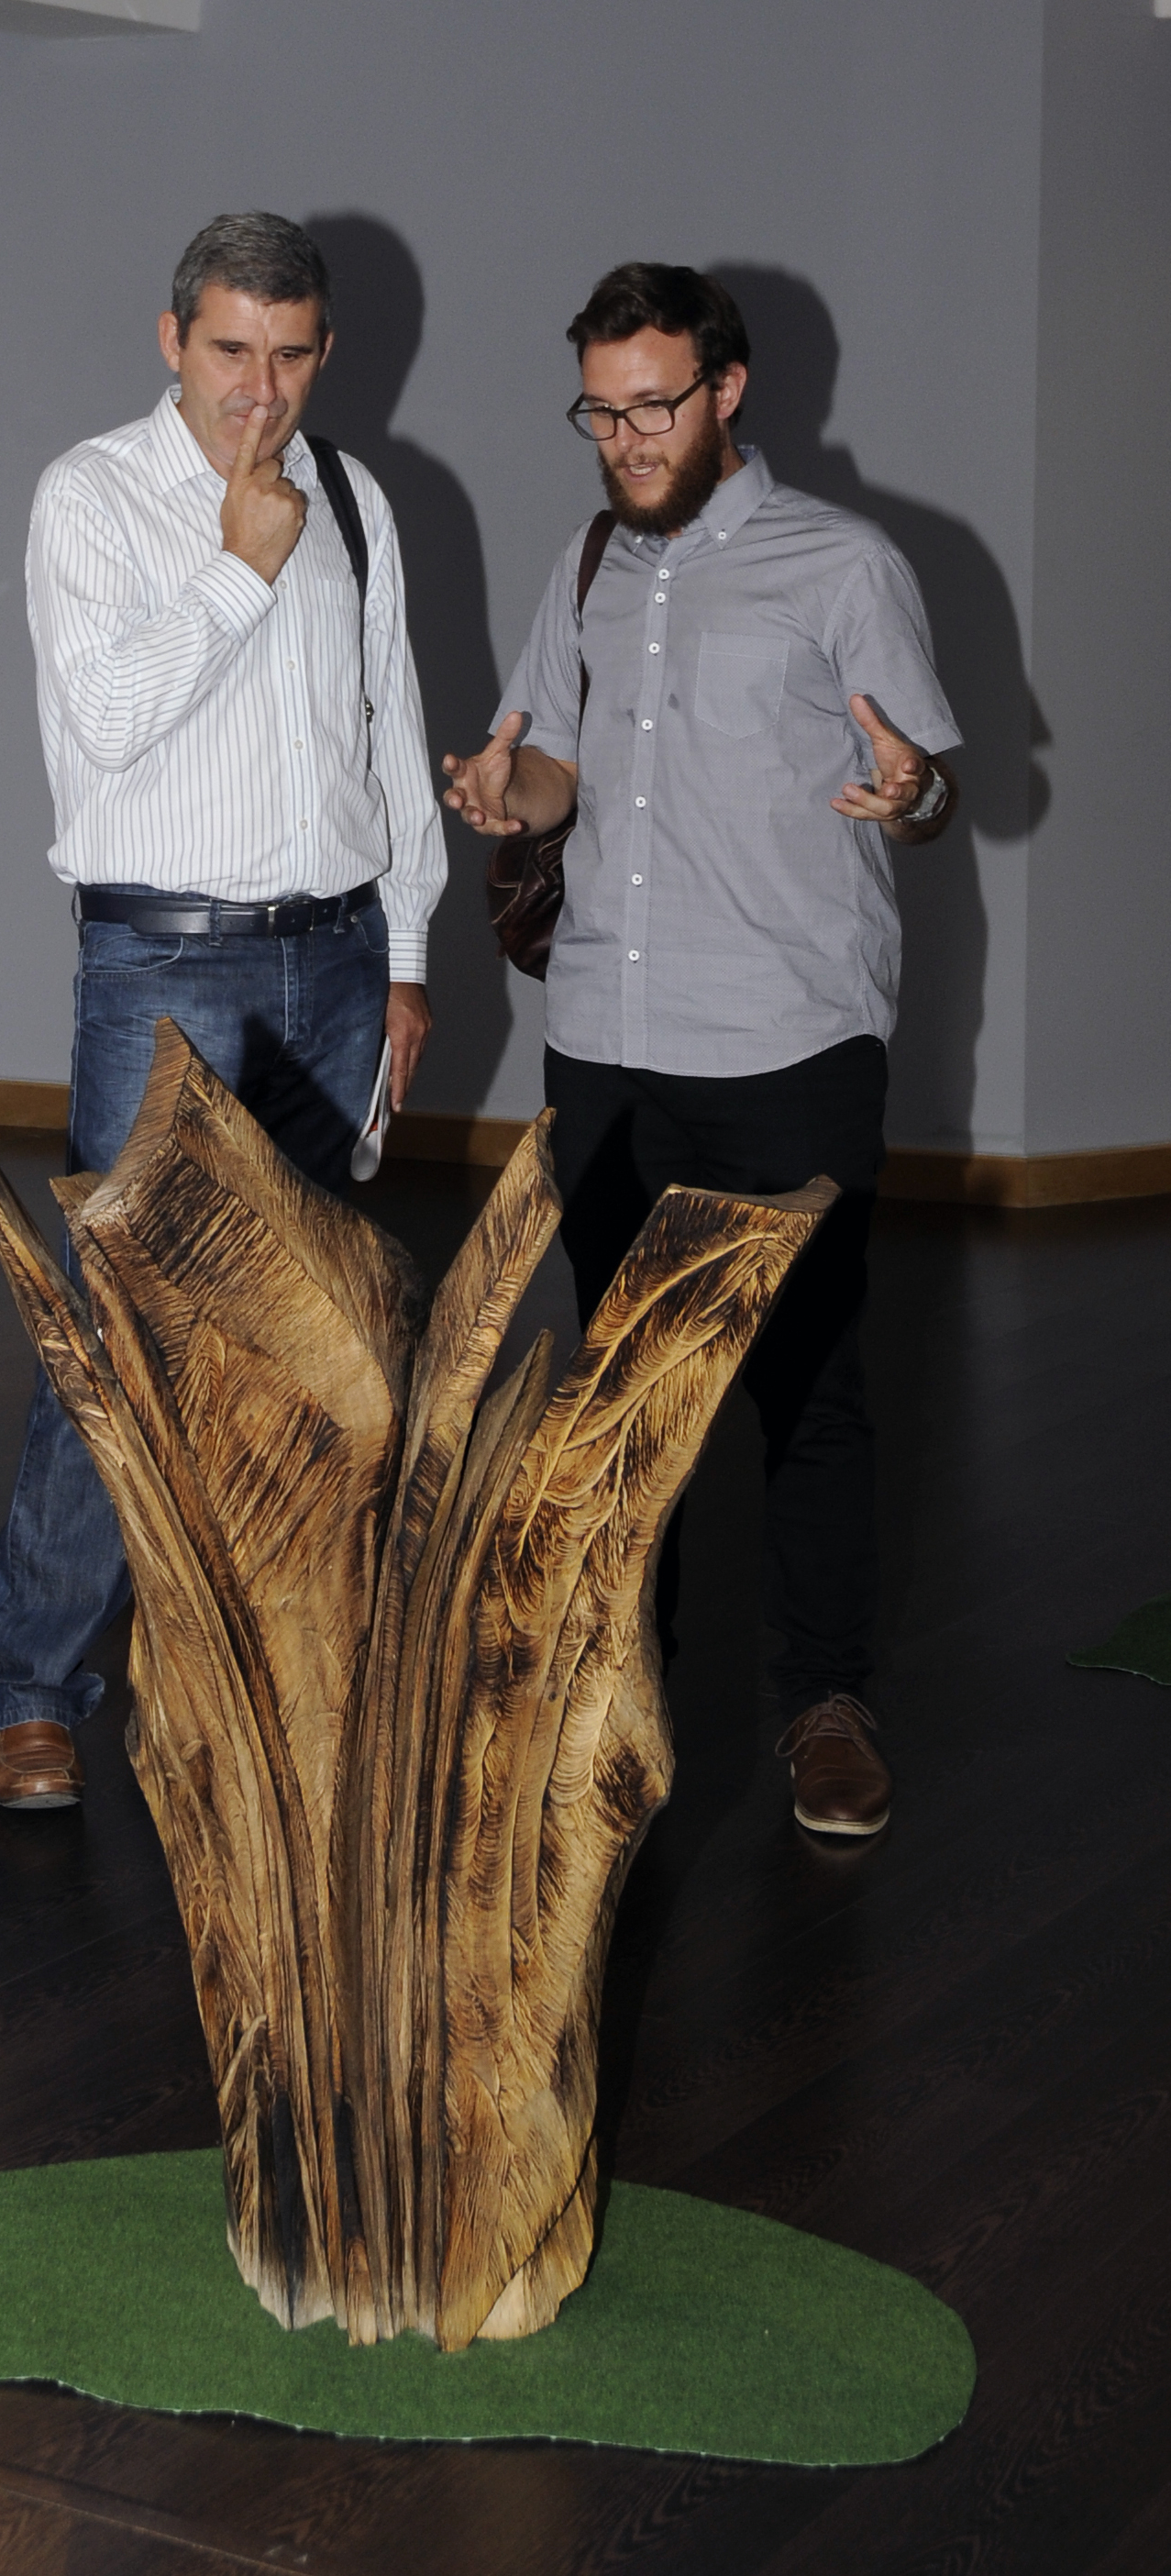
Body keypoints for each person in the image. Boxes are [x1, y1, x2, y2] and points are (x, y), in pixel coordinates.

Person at [444, 262, 959, 1839]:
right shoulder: (590, 561)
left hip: (790, 1038)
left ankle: (826, 1704)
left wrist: (909, 793)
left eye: (654, 407)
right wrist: (505, 791)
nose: (627, 439)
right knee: (618, 1387)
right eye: (602, 412)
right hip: (608, 1037)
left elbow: (924, 782)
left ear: (728, 392)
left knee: (804, 1386)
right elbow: (555, 768)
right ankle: (618, 1694)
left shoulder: (843, 564)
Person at [0, 210, 447, 1811]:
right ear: (171, 339)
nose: (262, 388)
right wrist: (243, 564)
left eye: (292, 355)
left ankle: (264, 1671)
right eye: (232, 351)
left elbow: (390, 732)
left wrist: (408, 952)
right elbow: (106, 718)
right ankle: (36, 1690)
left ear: (325, 350)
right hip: (165, 964)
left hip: (337, 958)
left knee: (305, 1328)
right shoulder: (93, 495)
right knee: (122, 1334)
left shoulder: (358, 498)